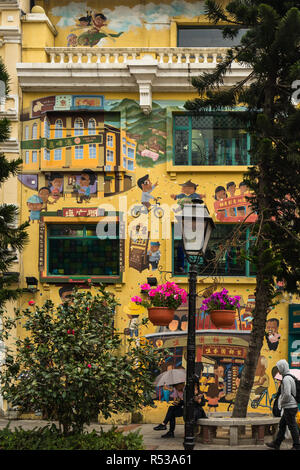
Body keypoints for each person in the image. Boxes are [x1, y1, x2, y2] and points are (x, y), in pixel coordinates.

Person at [266, 359, 300, 450]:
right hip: (290, 406)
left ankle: (296, 446)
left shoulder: (286, 379)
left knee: (292, 426)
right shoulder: (289, 377)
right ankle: (276, 443)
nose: (278, 370)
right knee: (282, 425)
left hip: (290, 406)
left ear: (282, 367)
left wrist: (281, 402)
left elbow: (287, 394)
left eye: (279, 368)